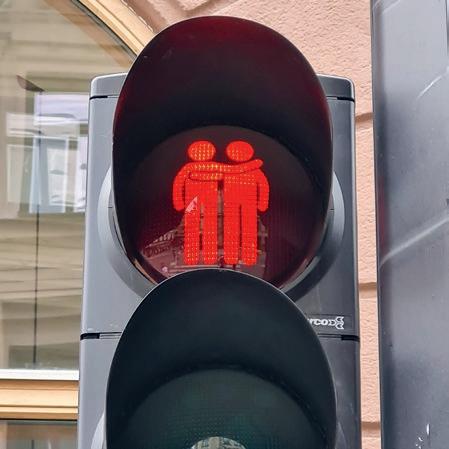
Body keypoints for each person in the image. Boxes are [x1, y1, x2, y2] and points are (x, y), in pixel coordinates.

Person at [173, 140, 262, 265]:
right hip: (202, 199)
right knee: (205, 226)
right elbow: (221, 173)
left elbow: (179, 182)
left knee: (216, 226)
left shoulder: (192, 168)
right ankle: (229, 255)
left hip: (205, 200)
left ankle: (212, 255)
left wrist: (180, 202)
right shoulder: (198, 169)